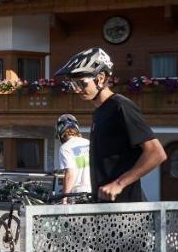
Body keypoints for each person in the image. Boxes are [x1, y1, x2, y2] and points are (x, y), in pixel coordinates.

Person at [54, 47, 166, 202]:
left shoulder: (120, 106)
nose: (77, 90)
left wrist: (119, 184)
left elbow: (156, 153)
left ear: (100, 78)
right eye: (73, 84)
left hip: (127, 212)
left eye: (82, 83)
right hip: (105, 208)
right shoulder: (99, 113)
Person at [54, 113, 90, 200]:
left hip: (78, 193)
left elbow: (70, 173)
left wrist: (64, 198)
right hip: (94, 191)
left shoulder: (65, 147)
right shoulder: (88, 143)